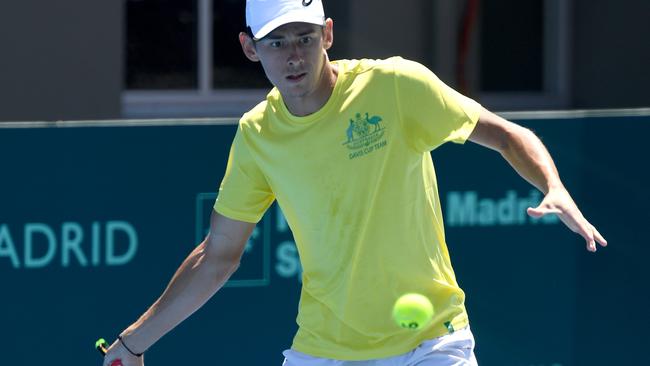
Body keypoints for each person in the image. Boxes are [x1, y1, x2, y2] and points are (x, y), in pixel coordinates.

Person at [102, 0, 607, 365]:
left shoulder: (395, 85)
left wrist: (552, 184)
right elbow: (219, 255)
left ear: (327, 34)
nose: (293, 56)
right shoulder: (257, 134)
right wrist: (134, 342)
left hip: (434, 346)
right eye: (276, 43)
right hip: (325, 351)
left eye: (303, 38)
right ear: (250, 48)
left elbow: (505, 134)